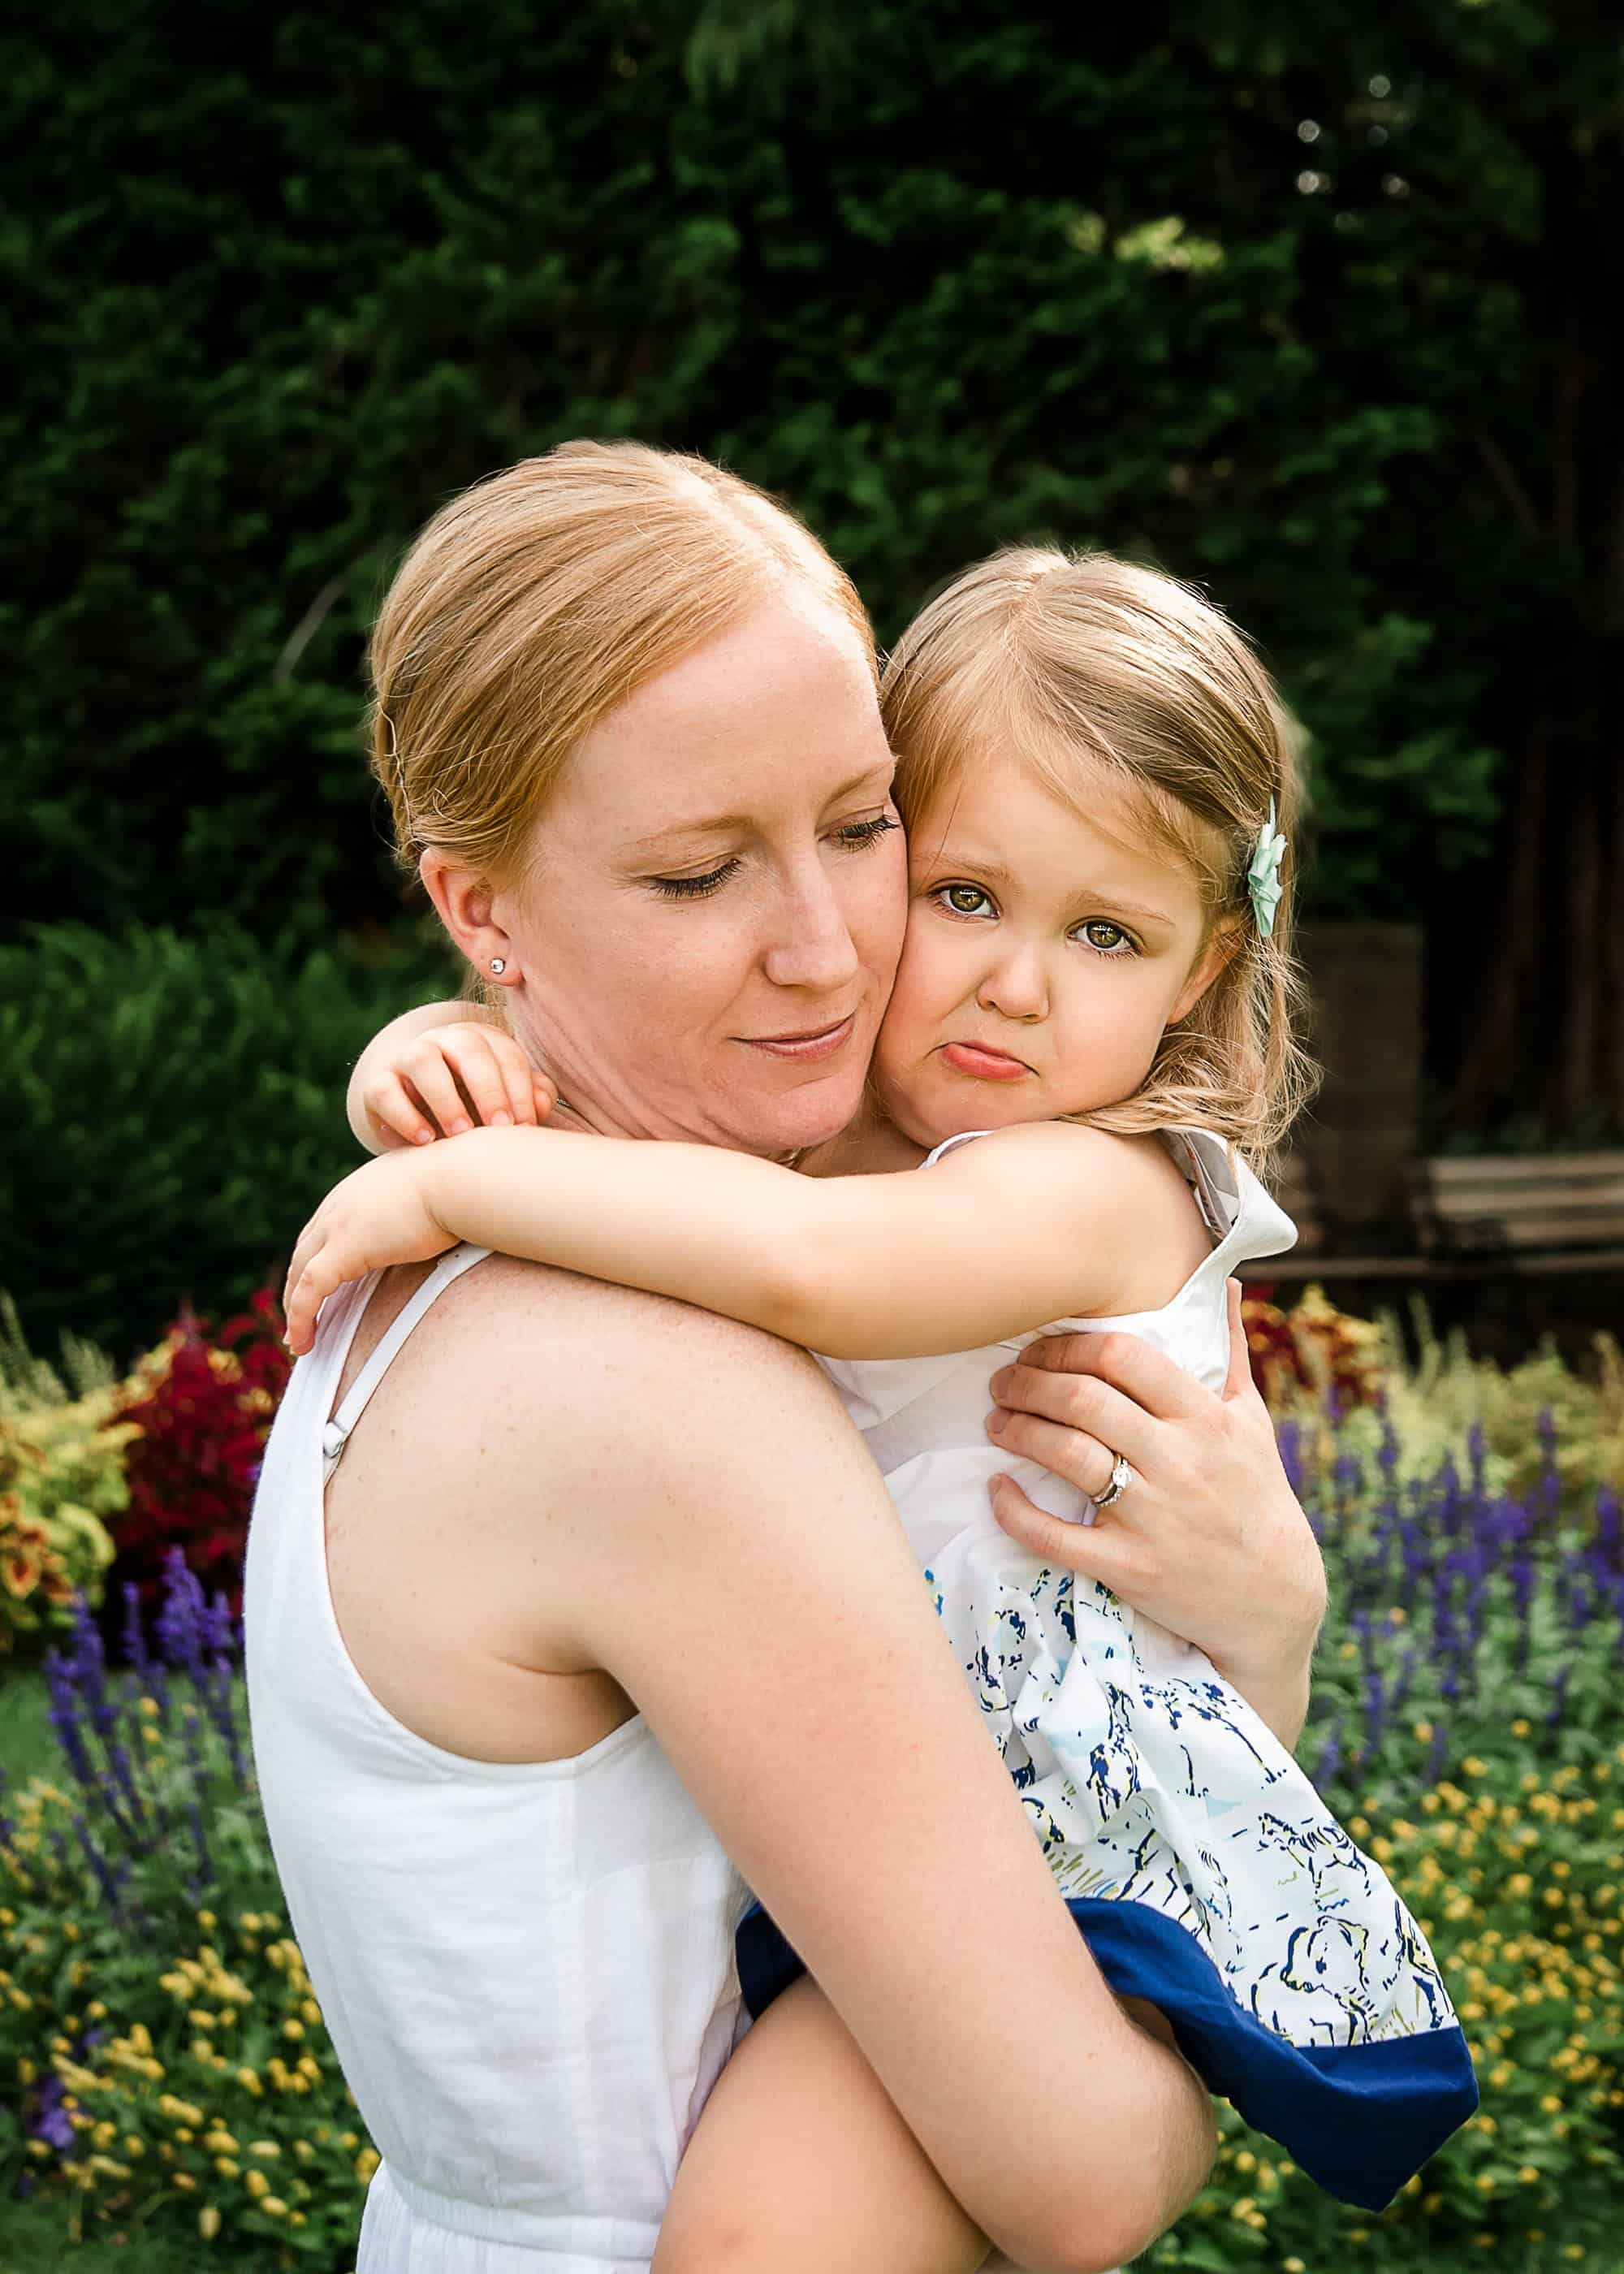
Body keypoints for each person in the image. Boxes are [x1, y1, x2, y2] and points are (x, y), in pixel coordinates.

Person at [287, 547, 1477, 2226]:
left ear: (1204, 969)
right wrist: (431, 1054)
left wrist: (463, 1179)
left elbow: (804, 1268)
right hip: (918, 1818)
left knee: (761, 2230)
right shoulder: (842, 1129)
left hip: (1064, 1858)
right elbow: (665, 1138)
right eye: (964, 894)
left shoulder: (1099, 1183)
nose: (1014, 981)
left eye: (1107, 932)